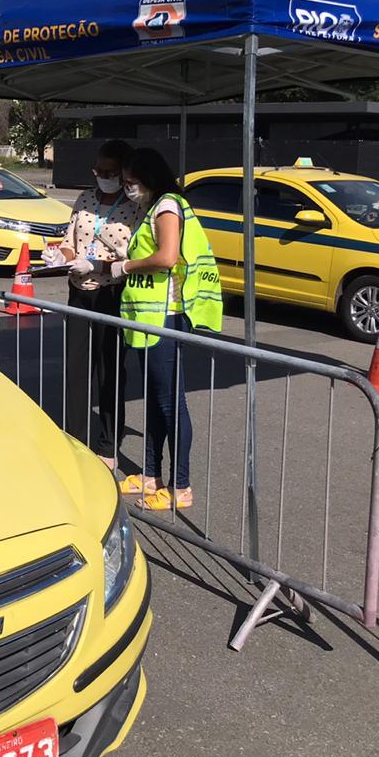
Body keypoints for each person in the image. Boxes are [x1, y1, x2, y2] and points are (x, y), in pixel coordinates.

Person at [109, 148, 222, 510]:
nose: (128, 189)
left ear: (149, 178)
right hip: (147, 319)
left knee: (170, 403)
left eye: (132, 182)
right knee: (157, 402)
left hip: (166, 317)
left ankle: (181, 486)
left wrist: (124, 267)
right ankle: (152, 474)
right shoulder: (155, 207)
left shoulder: (168, 206)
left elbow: (167, 257)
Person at [49, 139, 145, 467]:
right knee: (76, 371)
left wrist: (98, 265)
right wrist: (59, 257)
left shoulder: (136, 207)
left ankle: (107, 446)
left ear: (123, 172)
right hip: (79, 292)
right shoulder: (85, 198)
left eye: (109, 171)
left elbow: (136, 255)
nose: (102, 176)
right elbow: (70, 240)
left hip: (111, 294)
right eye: (98, 170)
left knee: (110, 372)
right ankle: (74, 439)